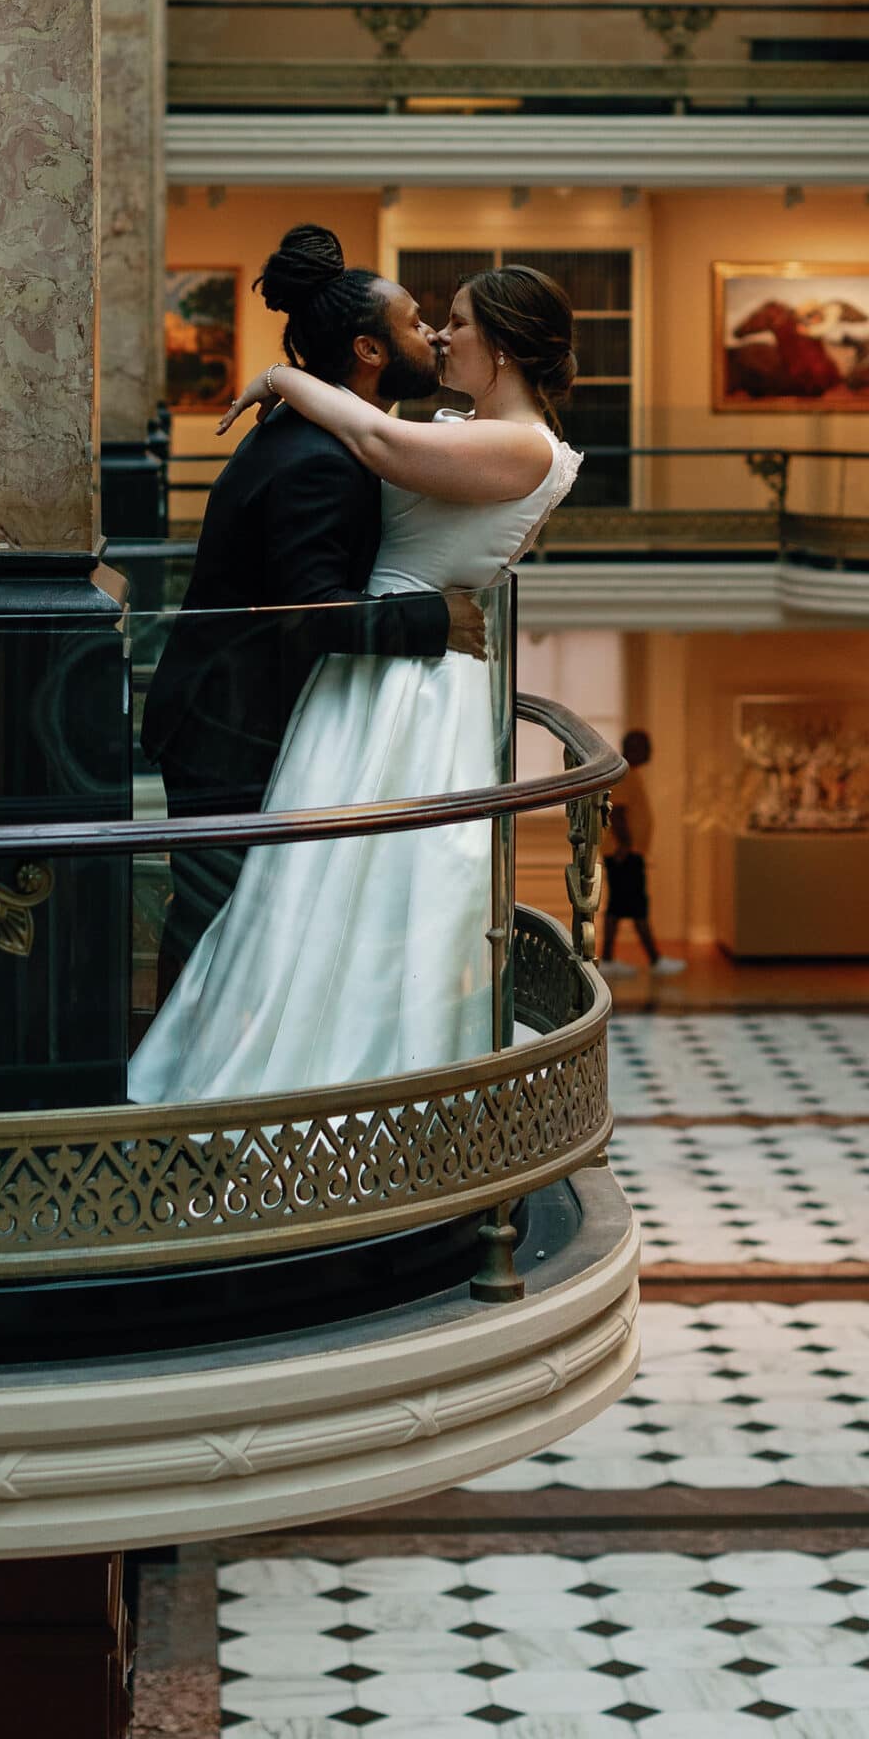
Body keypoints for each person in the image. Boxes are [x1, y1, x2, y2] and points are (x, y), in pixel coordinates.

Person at [127, 257, 582, 1104]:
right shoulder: (453, 426)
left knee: (359, 896)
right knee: (306, 894)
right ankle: (266, 1078)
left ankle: (344, 1090)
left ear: (507, 349)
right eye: (429, 320)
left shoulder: (518, 444)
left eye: (458, 322)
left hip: (401, 691)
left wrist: (278, 377)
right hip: (365, 671)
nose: (442, 334)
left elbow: (376, 442)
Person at [139, 225, 484, 1005]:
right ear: (367, 351)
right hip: (227, 727)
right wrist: (438, 620)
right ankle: (174, 1107)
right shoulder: (317, 463)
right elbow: (314, 612)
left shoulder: (317, 434)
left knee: (236, 919)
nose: (430, 334)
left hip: (235, 715)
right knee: (216, 923)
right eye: (413, 322)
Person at [600, 728, 685, 979]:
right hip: (624, 853)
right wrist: (625, 845)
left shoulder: (628, 773)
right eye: (646, 746)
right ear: (633, 747)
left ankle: (609, 958)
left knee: (621, 907)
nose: (650, 752)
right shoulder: (625, 774)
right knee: (634, 907)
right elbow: (617, 813)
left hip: (625, 852)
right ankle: (654, 959)